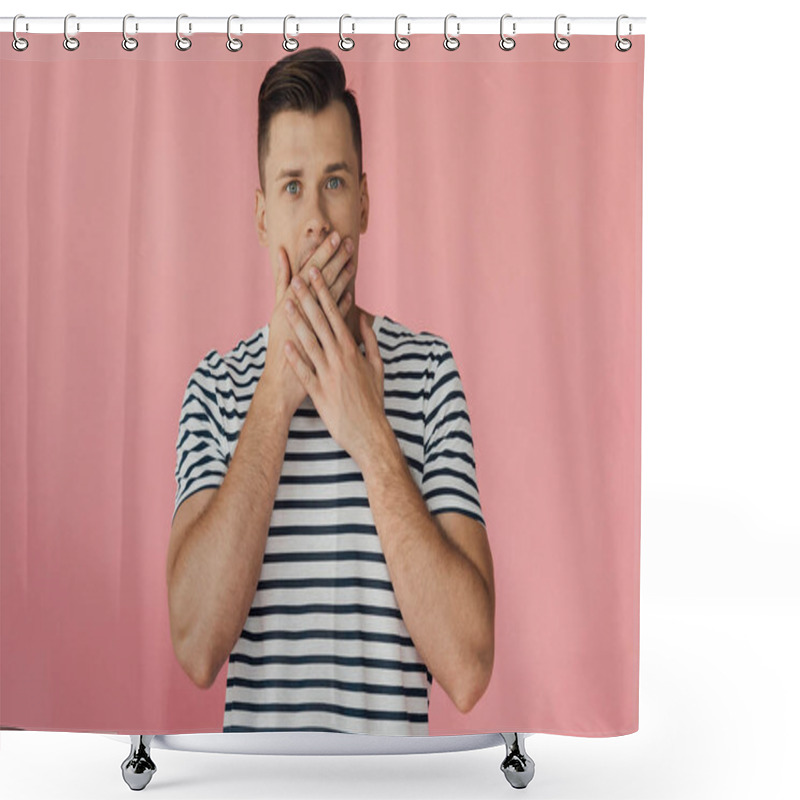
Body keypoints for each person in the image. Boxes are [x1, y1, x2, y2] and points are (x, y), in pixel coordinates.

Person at [166, 47, 495, 735]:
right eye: (291, 186)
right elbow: (196, 649)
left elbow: (468, 667)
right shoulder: (216, 389)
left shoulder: (431, 374)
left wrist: (370, 434)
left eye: (335, 182)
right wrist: (274, 400)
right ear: (261, 217)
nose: (315, 217)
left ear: (366, 202)